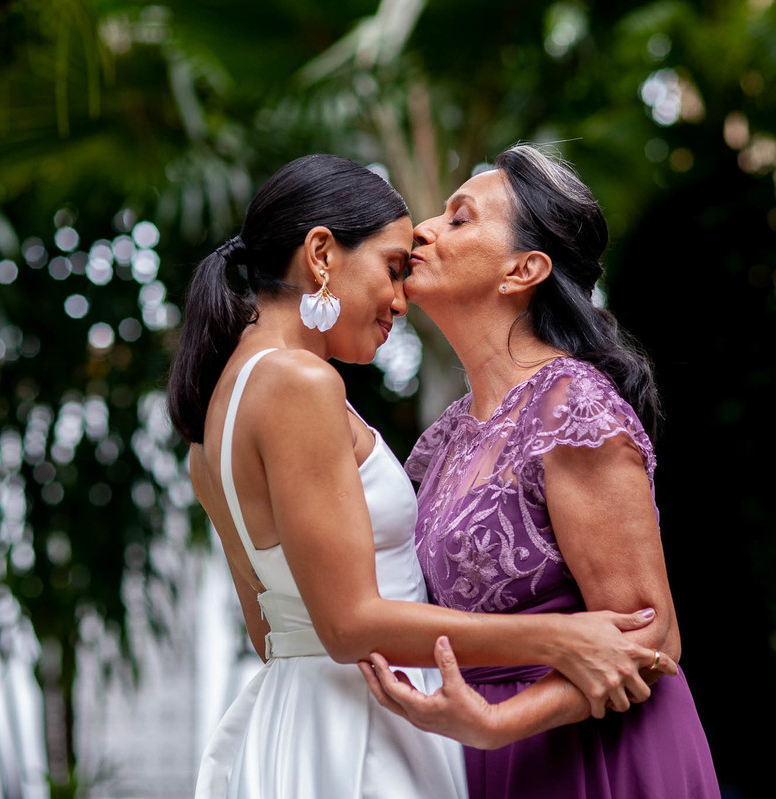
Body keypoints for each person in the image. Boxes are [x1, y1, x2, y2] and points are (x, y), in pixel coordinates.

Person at [167, 154, 677, 799]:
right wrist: (557, 636)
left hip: (307, 719)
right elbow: (349, 623)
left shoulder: (214, 420)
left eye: (457, 219)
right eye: (390, 267)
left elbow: (269, 629)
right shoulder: (304, 384)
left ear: (526, 270)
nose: (400, 299)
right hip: (364, 729)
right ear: (320, 255)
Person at [359, 145, 720, 798]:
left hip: (598, 757)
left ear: (523, 269)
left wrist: (501, 720)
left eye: (459, 218)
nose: (424, 231)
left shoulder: (570, 404)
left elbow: (652, 632)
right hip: (490, 758)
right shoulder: (447, 436)